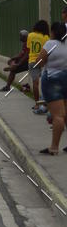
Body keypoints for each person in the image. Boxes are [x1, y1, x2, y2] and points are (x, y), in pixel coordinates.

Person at [38, 22, 67, 155]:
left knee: (58, 116)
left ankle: (54, 147)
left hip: (52, 81)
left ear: (53, 32)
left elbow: (40, 62)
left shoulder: (50, 44)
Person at [27, 20, 50, 114]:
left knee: (35, 83)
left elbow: (29, 47)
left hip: (32, 61)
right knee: (45, 83)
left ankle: (37, 103)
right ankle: (45, 102)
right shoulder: (46, 37)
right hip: (43, 62)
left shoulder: (30, 35)